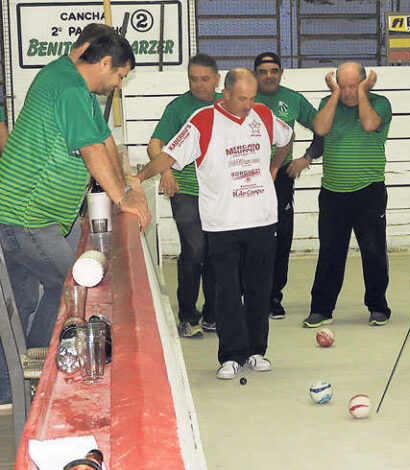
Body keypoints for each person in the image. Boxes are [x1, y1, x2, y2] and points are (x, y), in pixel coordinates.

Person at [0, 32, 150, 406]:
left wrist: (128, 186)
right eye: (119, 75)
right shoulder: (68, 87)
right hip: (27, 217)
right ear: (103, 63)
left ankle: (22, 384)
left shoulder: (73, 87)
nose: (119, 83)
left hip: (35, 218)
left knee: (25, 306)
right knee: (78, 287)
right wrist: (123, 199)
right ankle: (23, 385)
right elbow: (89, 151)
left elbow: (105, 141)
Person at [137, 69, 294, 380]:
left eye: (252, 98)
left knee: (259, 289)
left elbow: (286, 138)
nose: (248, 105)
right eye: (242, 99)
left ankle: (256, 351)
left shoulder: (262, 114)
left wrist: (275, 164)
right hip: (222, 224)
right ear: (226, 93)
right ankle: (230, 355)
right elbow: (168, 156)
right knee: (227, 291)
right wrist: (139, 179)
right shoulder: (202, 120)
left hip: (262, 219)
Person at [303, 62, 392, 328]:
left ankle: (378, 307)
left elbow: (368, 124)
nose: (348, 92)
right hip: (332, 192)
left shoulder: (380, 103)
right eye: (343, 86)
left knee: (373, 251)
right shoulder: (327, 102)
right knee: (330, 251)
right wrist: (333, 96)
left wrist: (363, 94)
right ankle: (321, 309)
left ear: (365, 83)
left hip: (369, 191)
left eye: (354, 86)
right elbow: (319, 129)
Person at [148, 54, 222, 337]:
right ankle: (187, 316)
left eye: (205, 79)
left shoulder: (226, 106)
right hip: (186, 191)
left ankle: (213, 314)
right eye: (193, 78)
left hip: (219, 194)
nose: (199, 85)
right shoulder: (178, 107)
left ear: (216, 79)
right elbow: (155, 144)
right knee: (194, 250)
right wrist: (166, 171)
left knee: (217, 253)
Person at [252, 52, 324, 320]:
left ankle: (272, 297)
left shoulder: (293, 99)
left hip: (280, 177)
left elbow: (322, 129)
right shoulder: (243, 98)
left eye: (274, 70)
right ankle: (246, 294)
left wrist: (306, 159)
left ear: (281, 72)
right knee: (244, 236)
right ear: (254, 74)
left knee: (280, 237)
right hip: (245, 176)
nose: (269, 75)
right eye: (263, 71)